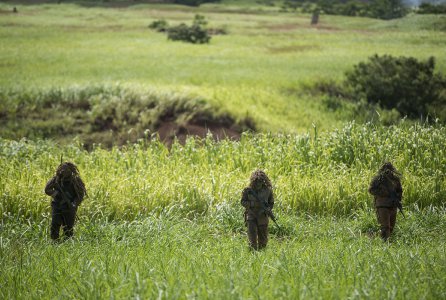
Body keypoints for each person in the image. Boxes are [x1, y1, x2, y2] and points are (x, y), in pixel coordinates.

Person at [45, 162, 86, 241]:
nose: (63, 171)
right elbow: (47, 189)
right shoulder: (56, 179)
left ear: (70, 170)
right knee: (55, 224)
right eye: (62, 169)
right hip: (57, 206)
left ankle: (68, 243)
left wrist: (74, 203)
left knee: (68, 227)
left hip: (69, 207)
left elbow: (80, 194)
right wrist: (56, 194)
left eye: (65, 169)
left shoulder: (76, 180)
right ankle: (55, 242)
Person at [241, 170, 275, 250]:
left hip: (262, 216)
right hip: (251, 215)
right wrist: (253, 204)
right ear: (253, 181)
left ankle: (262, 254)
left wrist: (267, 209)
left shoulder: (267, 191)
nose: (258, 184)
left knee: (263, 239)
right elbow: (242, 202)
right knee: (252, 236)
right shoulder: (248, 190)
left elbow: (271, 203)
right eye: (257, 181)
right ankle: (252, 252)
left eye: (260, 181)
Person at [368, 162, 403, 241]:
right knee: (385, 227)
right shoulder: (378, 180)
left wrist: (397, 198)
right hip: (382, 206)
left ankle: (378, 238)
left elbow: (400, 190)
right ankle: (384, 243)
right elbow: (371, 190)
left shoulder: (395, 180)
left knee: (391, 227)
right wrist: (384, 193)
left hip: (393, 205)